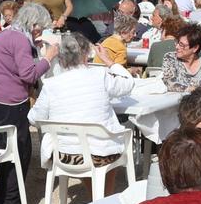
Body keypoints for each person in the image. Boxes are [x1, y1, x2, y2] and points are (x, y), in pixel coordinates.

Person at [0, 1, 52, 204]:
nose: (40, 31)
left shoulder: (6, 35)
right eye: (40, 27)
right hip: (9, 100)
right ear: (32, 23)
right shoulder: (19, 39)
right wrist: (48, 58)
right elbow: (29, 74)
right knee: (18, 151)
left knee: (6, 149)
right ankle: (9, 203)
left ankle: (3, 199)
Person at [30, 31, 135, 172]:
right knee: (106, 143)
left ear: (61, 57)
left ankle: (96, 190)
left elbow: (34, 118)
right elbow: (128, 84)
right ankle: (101, 193)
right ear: (86, 53)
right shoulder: (100, 75)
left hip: (63, 154)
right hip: (99, 153)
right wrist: (108, 60)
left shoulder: (51, 84)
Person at [160, 24, 201, 92]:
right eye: (177, 42)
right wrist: (192, 89)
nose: (177, 47)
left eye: (182, 45)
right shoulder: (170, 58)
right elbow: (169, 83)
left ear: (195, 48)